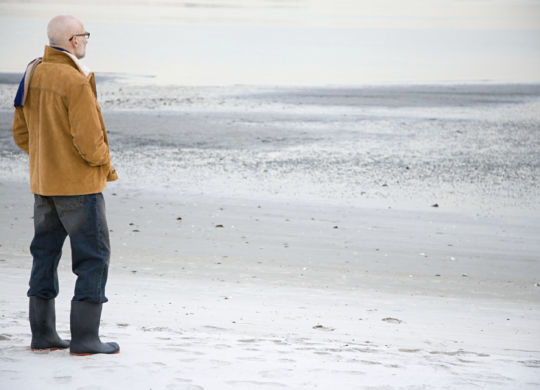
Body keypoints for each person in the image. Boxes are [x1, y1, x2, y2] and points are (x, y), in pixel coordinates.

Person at [12, 15, 120, 356]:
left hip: (44, 185)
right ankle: (86, 339)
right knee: (93, 258)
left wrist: (48, 156)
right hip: (79, 188)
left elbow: (20, 134)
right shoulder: (76, 81)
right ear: (74, 40)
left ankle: (43, 336)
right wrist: (107, 166)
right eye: (85, 35)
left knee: (44, 255)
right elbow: (90, 143)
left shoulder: (32, 72)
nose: (87, 40)